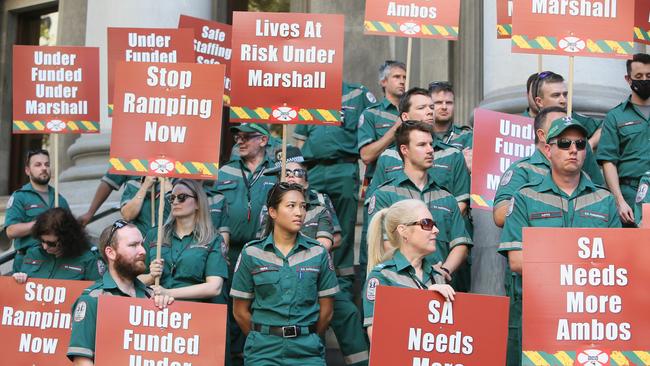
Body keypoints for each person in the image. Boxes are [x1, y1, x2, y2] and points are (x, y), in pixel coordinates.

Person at [499, 117, 621, 366]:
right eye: (564, 143)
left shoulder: (604, 200)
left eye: (580, 143)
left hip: (590, 316)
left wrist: (552, 262)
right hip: (537, 311)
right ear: (547, 149)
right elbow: (517, 260)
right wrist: (578, 267)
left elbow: (615, 263)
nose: (573, 149)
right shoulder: (525, 197)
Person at [262, 147, 370, 366]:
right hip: (283, 282)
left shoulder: (320, 203)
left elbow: (330, 240)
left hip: (319, 278)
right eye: (286, 173)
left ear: (307, 182)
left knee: (347, 312)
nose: (291, 176)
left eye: (297, 172)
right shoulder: (269, 208)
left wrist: (302, 249)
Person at [361, 88, 471, 285]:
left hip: (441, 285)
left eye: (431, 145)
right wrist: (417, 272)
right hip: (398, 285)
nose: (430, 150)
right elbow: (384, 242)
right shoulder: (385, 194)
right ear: (404, 150)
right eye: (422, 145)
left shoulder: (446, 197)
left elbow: (461, 243)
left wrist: (442, 272)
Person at [230, 182, 339, 366]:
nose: (299, 212)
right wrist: (264, 335)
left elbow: (327, 311)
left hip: (307, 352)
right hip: (262, 352)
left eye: (303, 206)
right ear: (273, 212)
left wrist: (307, 335)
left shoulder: (318, 253)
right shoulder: (252, 253)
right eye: (291, 206)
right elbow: (240, 311)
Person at [294, 81, 375, 295]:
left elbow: (371, 122)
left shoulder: (357, 93)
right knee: (307, 220)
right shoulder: (309, 93)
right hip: (313, 169)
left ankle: (343, 284)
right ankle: (309, 275)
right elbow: (300, 140)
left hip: (343, 167)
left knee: (345, 229)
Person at [212, 122, 278, 365]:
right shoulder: (225, 172)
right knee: (229, 304)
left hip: (264, 250)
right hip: (230, 250)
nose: (240, 141)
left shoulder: (277, 171)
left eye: (246, 137)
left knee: (258, 305)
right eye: (238, 137)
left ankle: (252, 355)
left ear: (262, 140)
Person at [67, 220, 174, 365]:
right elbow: (82, 361)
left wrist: (168, 310)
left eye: (142, 244)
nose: (143, 251)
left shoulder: (151, 297)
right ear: (110, 252)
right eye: (133, 245)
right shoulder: (93, 299)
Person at [493, 106, 606, 227]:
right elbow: (500, 216)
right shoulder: (522, 169)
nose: (565, 128)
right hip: (538, 242)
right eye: (558, 126)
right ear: (542, 135)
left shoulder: (582, 175)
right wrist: (545, 209)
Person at [362, 199, 455, 341]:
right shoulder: (382, 276)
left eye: (434, 224)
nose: (436, 230)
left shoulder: (437, 277)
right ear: (403, 230)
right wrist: (425, 299)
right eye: (426, 223)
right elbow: (379, 339)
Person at [140, 179, 229, 303]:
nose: (175, 201)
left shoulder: (213, 239)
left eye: (182, 197)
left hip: (193, 312)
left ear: (198, 203)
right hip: (155, 311)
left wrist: (168, 293)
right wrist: (150, 277)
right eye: (172, 198)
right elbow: (130, 280)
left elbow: (215, 287)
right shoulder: (155, 235)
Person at [597, 53, 650, 226]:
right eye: (639, 77)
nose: (644, 80)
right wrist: (619, 201)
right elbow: (608, 161)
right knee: (633, 249)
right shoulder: (615, 116)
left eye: (649, 76)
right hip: (630, 194)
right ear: (628, 79)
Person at [5, 149, 69, 272]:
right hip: (28, 263)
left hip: (57, 263)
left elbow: (70, 232)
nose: (44, 168)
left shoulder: (59, 199)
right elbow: (11, 231)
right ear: (27, 170)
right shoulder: (20, 196)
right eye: (38, 165)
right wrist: (42, 223)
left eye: (47, 164)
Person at [12, 207, 102, 282]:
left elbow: (99, 293)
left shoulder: (88, 259)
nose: (45, 247)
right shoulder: (33, 254)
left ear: (68, 240)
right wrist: (18, 280)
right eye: (42, 240)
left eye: (51, 243)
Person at [358, 61, 406, 183]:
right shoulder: (371, 114)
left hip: (409, 181)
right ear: (383, 82)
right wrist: (395, 129)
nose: (402, 81)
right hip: (380, 182)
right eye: (396, 77)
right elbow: (366, 156)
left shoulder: (414, 112)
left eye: (404, 77)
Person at [530, 71, 602, 148]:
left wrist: (590, 144)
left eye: (565, 94)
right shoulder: (522, 125)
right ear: (539, 101)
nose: (563, 100)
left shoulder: (571, 118)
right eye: (556, 95)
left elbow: (604, 126)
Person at [428, 82, 473, 171]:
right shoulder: (421, 136)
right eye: (438, 103)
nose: (444, 107)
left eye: (449, 103)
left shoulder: (467, 136)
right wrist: (459, 159)